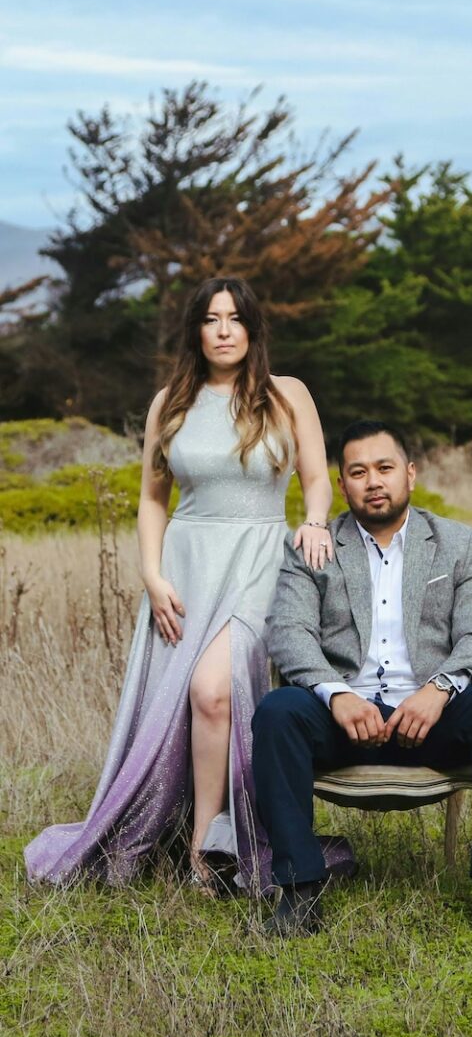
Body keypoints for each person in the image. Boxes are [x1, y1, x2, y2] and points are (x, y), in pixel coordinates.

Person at [25, 277, 355, 895]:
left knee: (213, 691)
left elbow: (317, 479)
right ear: (196, 331)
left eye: (235, 318)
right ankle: (201, 849)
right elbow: (153, 500)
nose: (224, 329)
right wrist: (151, 575)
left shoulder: (287, 396)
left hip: (260, 558)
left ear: (252, 329)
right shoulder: (169, 401)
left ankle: (216, 842)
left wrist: (313, 522)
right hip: (186, 562)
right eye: (211, 319)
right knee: (192, 700)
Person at [252, 419, 472, 934]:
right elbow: (289, 636)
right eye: (358, 472)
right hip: (343, 723)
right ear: (342, 484)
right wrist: (337, 695)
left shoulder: (456, 544)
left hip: (430, 722)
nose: (374, 481)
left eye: (385, 468)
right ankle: (300, 892)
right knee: (278, 711)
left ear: (409, 475)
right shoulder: (313, 547)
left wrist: (439, 690)